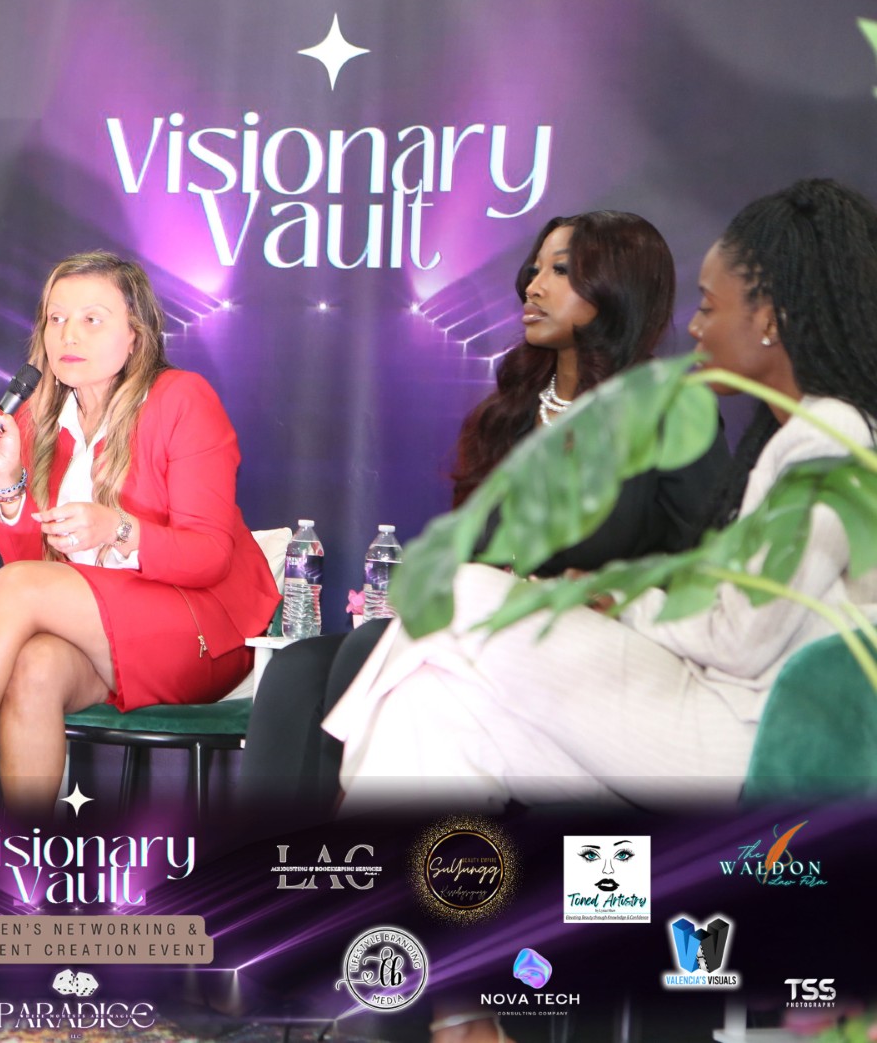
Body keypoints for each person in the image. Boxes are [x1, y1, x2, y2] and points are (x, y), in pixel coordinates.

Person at [322, 178, 877, 811]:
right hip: (706, 706)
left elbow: (739, 641)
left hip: (737, 734)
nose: (695, 328)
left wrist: (613, 599)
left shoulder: (824, 441)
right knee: (431, 706)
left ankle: (338, 814)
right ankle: (387, 868)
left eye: (708, 307)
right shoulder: (808, 433)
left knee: (460, 594)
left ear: (769, 320)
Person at [241, 211, 727, 818]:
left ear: (619, 289)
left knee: (368, 649)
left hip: (602, 649)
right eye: (534, 270)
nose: (533, 287)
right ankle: (277, 857)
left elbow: (708, 573)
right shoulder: (510, 415)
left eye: (561, 271)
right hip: (488, 630)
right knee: (298, 667)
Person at [0, 251, 278, 819]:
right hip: (99, 635)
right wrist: (9, 480)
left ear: (135, 335)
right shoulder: (38, 417)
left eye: (92, 319)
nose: (68, 334)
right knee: (34, 667)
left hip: (199, 631)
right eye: (56, 318)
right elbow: (31, 562)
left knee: (19, 589)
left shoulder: (181, 399)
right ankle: (25, 856)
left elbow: (210, 557)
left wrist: (119, 527)